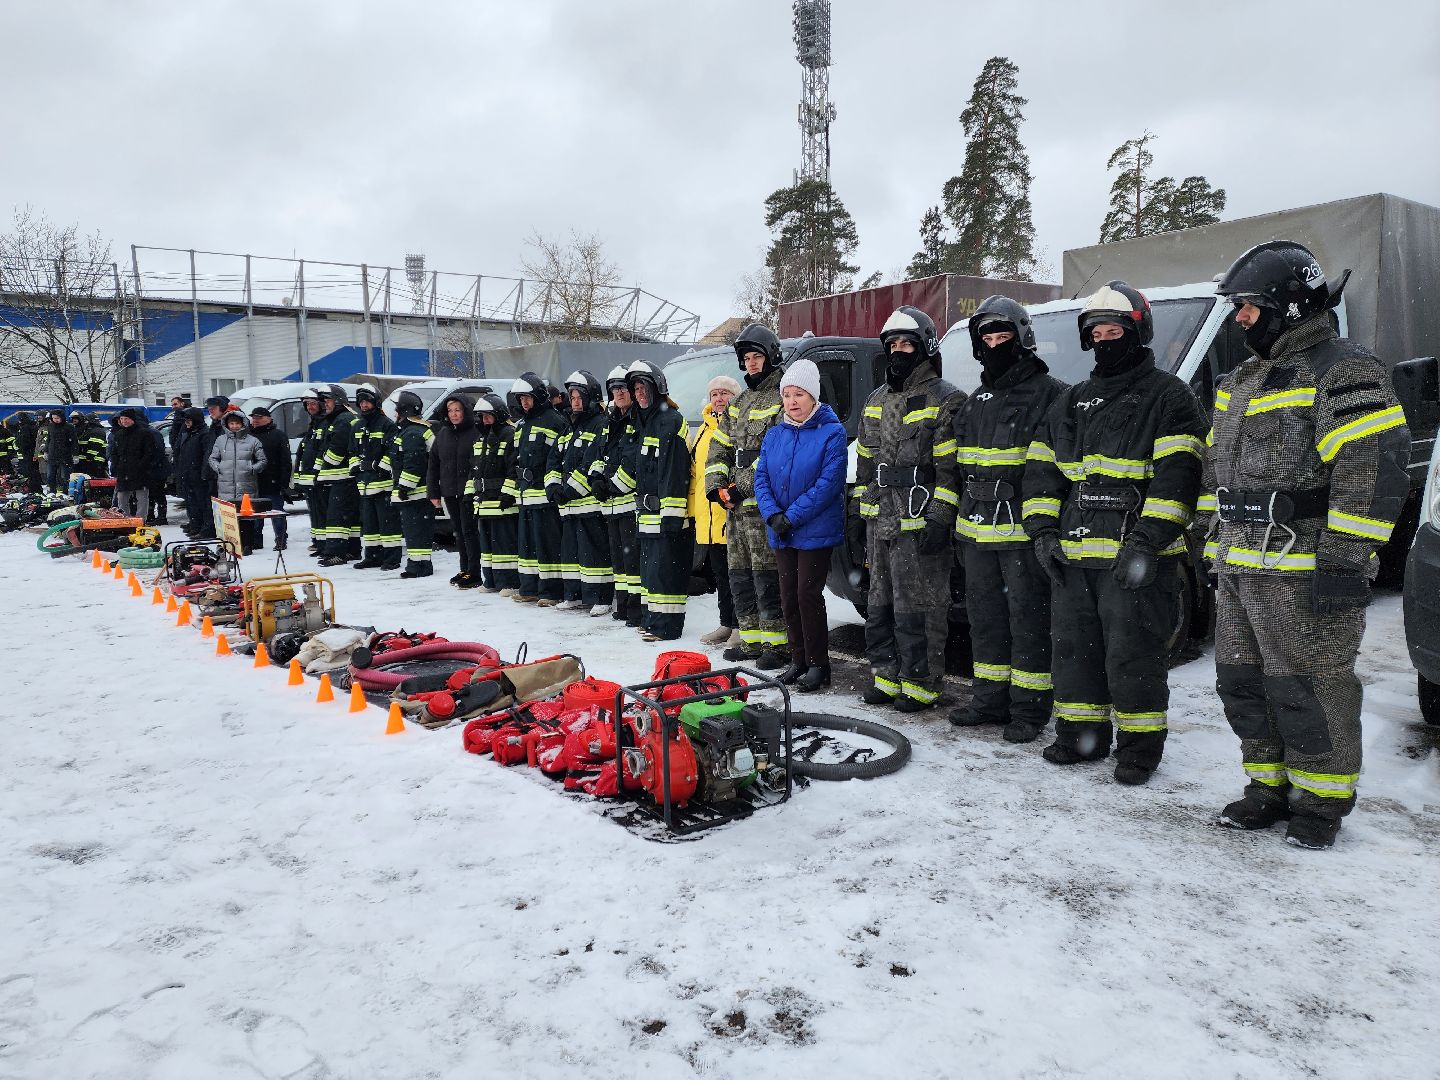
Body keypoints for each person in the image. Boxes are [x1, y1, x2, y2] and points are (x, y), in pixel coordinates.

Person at [1206, 242, 1409, 848]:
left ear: (1290, 306)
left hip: (1303, 567)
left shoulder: (1343, 368)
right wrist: (1208, 537)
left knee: (1311, 684)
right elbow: (1218, 470)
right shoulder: (1240, 380)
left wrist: (1348, 557)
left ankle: (1320, 803)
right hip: (1241, 565)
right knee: (1242, 682)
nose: (1239, 319)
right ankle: (1266, 786)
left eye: (1248, 307)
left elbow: (1371, 466)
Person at [1022, 281, 1206, 786]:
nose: (1105, 339)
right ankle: (1080, 737)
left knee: (1134, 656)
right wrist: (1041, 532)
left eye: (1114, 330)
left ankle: (1139, 753)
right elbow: (1043, 473)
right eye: (1097, 332)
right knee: (1073, 651)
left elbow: (1179, 477)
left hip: (1138, 557)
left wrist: (1147, 541)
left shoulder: (1170, 396)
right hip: (1073, 555)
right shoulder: (1072, 401)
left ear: (1137, 331)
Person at [946, 296, 1068, 743]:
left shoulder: (1051, 394)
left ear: (1023, 339)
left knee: (1028, 622)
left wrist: (1045, 529)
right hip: (975, 533)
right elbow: (960, 465)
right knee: (986, 621)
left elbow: (1054, 469)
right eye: (988, 339)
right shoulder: (977, 400)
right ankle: (988, 700)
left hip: (1021, 533)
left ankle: (1030, 709)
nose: (996, 345)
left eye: (1004, 337)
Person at [854, 307, 967, 712]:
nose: (899, 351)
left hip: (919, 520)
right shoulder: (876, 399)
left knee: (919, 607)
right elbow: (865, 462)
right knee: (879, 605)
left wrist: (940, 516)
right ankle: (886, 678)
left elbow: (951, 470)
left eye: (907, 344)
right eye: (893, 345)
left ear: (925, 348)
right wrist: (858, 509)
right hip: (879, 520)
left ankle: (921, 685)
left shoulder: (946, 397)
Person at [754, 358, 847, 691]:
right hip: (781, 528)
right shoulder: (775, 433)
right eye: (787, 395)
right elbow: (761, 476)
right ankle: (798, 660)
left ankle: (819, 665)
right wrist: (772, 514)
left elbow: (828, 483)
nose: (792, 402)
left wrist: (790, 516)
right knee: (788, 597)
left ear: (813, 397)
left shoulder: (832, 432)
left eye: (799, 395)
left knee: (808, 595)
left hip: (814, 530)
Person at [705, 325, 789, 668]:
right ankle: (751, 641)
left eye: (757, 357)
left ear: (771, 356)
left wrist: (743, 486)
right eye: (747, 358)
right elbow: (720, 446)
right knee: (740, 576)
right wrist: (716, 487)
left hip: (764, 507)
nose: (752, 363)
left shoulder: (783, 396)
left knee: (768, 577)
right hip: (735, 510)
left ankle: (777, 645)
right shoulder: (739, 402)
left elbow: (778, 456)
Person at [626, 360, 693, 641]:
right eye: (636, 389)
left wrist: (672, 515)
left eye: (644, 388)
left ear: (657, 389)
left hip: (667, 513)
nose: (640, 394)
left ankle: (667, 627)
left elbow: (674, 473)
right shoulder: (644, 422)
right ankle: (653, 621)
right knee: (651, 572)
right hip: (647, 512)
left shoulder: (670, 421)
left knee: (666, 571)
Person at [551, 370, 614, 615]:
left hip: (588, 504)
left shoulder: (600, 424)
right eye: (572, 397)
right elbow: (554, 460)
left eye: (579, 397)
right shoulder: (568, 426)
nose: (575, 401)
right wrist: (553, 487)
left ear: (591, 397)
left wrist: (569, 489)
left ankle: (601, 597)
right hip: (568, 506)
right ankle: (573, 594)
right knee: (571, 554)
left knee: (595, 554)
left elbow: (591, 462)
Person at [504, 372, 567, 605]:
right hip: (525, 496)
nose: (524, 403)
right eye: (521, 399)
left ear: (539, 396)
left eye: (528, 398)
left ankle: (550, 591)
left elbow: (557, 458)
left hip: (544, 496)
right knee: (527, 547)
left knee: (547, 546)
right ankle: (529, 586)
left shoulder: (555, 421)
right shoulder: (521, 425)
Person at [691, 374, 743, 647]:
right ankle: (725, 622)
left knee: (737, 574)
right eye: (715, 394)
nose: (719, 398)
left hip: (729, 512)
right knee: (721, 575)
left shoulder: (739, 426)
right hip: (707, 517)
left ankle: (739, 624)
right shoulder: (702, 430)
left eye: (725, 393)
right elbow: (696, 476)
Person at [592, 367, 643, 626]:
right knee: (619, 560)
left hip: (629, 503)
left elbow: (633, 460)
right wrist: (595, 478)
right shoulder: (609, 421)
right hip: (611, 505)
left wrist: (612, 485)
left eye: (623, 388)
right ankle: (622, 605)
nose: (619, 393)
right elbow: (599, 455)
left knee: (633, 561)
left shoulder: (637, 420)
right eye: (614, 389)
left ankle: (636, 609)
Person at [427, 393, 481, 587]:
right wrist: (433, 492)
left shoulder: (476, 432)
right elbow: (433, 464)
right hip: (450, 491)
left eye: (458, 410)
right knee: (458, 531)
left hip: (470, 492)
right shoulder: (443, 434)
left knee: (470, 531)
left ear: (466, 411)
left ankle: (474, 571)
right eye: (450, 410)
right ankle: (464, 568)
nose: (454, 414)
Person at [468, 394, 520, 593]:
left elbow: (513, 467)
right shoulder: (481, 438)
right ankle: (490, 580)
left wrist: (507, 494)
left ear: (498, 414)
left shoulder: (509, 434)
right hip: (484, 502)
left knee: (504, 547)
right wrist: (470, 495)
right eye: (482, 416)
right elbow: (474, 469)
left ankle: (508, 582)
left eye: (488, 415)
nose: (485, 420)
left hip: (502, 503)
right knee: (488, 547)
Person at [351, 384, 402, 570]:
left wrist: (379, 466)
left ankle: (392, 558)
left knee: (388, 525)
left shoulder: (387, 424)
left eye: (367, 402)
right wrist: (355, 467)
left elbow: (393, 451)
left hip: (383, 484)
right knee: (369, 525)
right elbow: (352, 451)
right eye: (361, 402)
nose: (364, 405)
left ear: (375, 403)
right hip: (364, 484)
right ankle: (372, 557)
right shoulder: (357, 425)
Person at [390, 390, 437, 579]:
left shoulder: (412, 432)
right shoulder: (415, 430)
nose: (395, 414)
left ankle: (419, 566)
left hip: (416, 492)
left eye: (397, 410)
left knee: (415, 530)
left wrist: (404, 487)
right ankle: (419, 564)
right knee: (417, 530)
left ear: (404, 411)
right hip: (419, 491)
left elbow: (414, 462)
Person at [208, 408, 266, 554]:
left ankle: (247, 545)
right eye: (231, 423)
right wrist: (218, 468)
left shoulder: (253, 441)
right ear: (227, 425)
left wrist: (252, 469)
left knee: (246, 518)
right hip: (225, 485)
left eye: (237, 423)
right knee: (227, 517)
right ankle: (228, 544)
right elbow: (213, 458)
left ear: (243, 424)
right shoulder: (221, 440)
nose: (234, 426)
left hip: (246, 484)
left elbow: (262, 460)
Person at [316, 385, 362, 566]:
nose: (324, 404)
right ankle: (351, 550)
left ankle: (336, 553)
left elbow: (336, 452)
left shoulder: (342, 420)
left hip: (342, 478)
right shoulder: (337, 419)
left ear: (337, 400)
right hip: (340, 478)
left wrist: (324, 460)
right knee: (347, 518)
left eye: (327, 400)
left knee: (337, 518)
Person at [247, 406, 292, 551]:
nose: (256, 420)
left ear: (269, 419)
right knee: (253, 514)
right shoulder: (247, 436)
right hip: (252, 482)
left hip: (273, 481)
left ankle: (280, 539)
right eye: (254, 418)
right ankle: (255, 540)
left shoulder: (278, 435)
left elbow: (285, 461)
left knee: (276, 512)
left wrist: (283, 482)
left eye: (259, 417)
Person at [293, 386, 327, 555]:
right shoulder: (314, 424)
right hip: (309, 479)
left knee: (322, 512)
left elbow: (321, 451)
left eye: (313, 403)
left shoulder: (325, 423)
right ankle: (318, 542)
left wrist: (316, 473)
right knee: (315, 513)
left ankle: (324, 543)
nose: (310, 407)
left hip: (319, 478)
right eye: (307, 405)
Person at [109, 409, 155, 520]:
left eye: (126, 419)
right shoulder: (119, 434)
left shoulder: (144, 433)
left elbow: (149, 452)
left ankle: (140, 521)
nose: (124, 421)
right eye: (122, 419)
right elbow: (114, 452)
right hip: (123, 470)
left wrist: (141, 466)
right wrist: (116, 465)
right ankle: (124, 521)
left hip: (140, 471)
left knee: (142, 498)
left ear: (132, 419)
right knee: (122, 498)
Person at [172, 407, 210, 536]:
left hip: (197, 475)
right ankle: (195, 525)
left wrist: (202, 473)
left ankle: (202, 528)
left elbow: (205, 456)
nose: (186, 423)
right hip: (188, 474)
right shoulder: (189, 433)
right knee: (191, 503)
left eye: (189, 421)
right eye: (185, 421)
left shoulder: (204, 434)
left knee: (201, 503)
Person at [42, 410, 75, 492]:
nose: (55, 420)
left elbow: (74, 442)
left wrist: (75, 455)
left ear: (61, 417)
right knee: (50, 476)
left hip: (65, 455)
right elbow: (49, 440)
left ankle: (65, 492)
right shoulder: (51, 426)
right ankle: (52, 491)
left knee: (65, 477)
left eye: (57, 418)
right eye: (53, 418)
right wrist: (46, 451)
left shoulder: (69, 427)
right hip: (52, 455)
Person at [71, 412, 108, 479]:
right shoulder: (90, 430)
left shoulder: (97, 431)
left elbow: (95, 446)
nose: (85, 422)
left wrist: (89, 457)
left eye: (86, 420)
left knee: (93, 480)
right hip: (91, 461)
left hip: (95, 461)